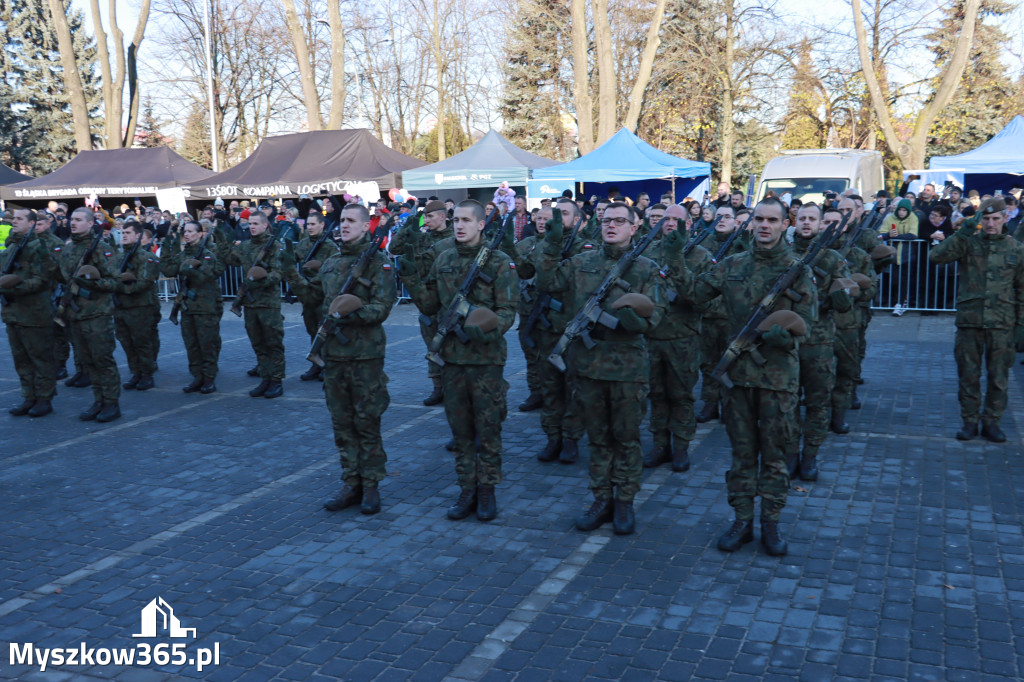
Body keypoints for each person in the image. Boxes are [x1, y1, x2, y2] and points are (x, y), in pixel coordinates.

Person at [672, 197, 818, 557]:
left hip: (777, 380)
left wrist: (787, 336)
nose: (765, 225)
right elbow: (692, 294)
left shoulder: (799, 270)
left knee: (775, 455)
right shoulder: (732, 265)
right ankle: (741, 520)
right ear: (750, 223)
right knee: (741, 454)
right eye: (759, 219)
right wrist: (675, 255)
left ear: (786, 224)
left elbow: (810, 327)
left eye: (772, 220)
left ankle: (771, 523)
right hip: (736, 378)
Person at [535, 201, 665, 536]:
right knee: (598, 439)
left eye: (620, 221)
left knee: (626, 439)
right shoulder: (582, 262)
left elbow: (656, 319)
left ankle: (624, 501)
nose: (612, 226)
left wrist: (634, 320)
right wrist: (551, 243)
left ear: (634, 228)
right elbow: (547, 280)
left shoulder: (646, 268)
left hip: (627, 370)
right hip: (589, 367)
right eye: (607, 220)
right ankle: (601, 498)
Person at [399, 199, 516, 522]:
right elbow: (428, 304)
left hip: (486, 361)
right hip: (452, 361)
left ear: (481, 224)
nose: (459, 225)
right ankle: (467, 489)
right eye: (455, 220)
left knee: (488, 429)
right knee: (461, 431)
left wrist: (486, 328)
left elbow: (508, 311)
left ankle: (487, 490)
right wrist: (409, 275)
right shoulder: (444, 258)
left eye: (466, 220)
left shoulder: (499, 262)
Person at [308, 204, 398, 515]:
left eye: (351, 221)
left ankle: (371, 484)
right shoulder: (331, 263)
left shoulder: (378, 263)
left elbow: (383, 307)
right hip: (335, 355)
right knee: (342, 422)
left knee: (367, 421)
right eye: (342, 220)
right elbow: (323, 305)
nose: (344, 226)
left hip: (365, 356)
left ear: (364, 226)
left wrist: (353, 312)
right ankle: (351, 481)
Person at [929, 197, 1024, 442]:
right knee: (968, 376)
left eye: (995, 219)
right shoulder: (968, 243)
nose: (991, 224)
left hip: (1002, 323)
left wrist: (1021, 326)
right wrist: (962, 234)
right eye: (987, 218)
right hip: (970, 322)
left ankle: (992, 422)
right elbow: (936, 257)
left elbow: (1022, 290)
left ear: (1005, 218)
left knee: (999, 379)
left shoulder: (1016, 249)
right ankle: (970, 421)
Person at [642, 204, 712, 472]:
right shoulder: (647, 252)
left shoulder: (701, 256)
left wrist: (677, 262)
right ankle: (660, 444)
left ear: (690, 224)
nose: (669, 223)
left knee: (681, 395)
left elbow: (700, 298)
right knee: (656, 393)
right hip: (652, 336)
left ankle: (681, 446)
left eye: (676, 219)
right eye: (665, 219)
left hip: (683, 338)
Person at [521, 199, 589, 464]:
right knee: (549, 387)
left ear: (578, 221)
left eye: (565, 215)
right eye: (555, 215)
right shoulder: (545, 246)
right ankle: (553, 437)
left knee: (572, 388)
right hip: (547, 329)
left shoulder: (586, 247)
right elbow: (536, 274)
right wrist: (551, 244)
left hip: (574, 330)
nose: (559, 220)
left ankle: (571, 439)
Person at [786, 203, 851, 481]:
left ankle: (810, 454)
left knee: (817, 403)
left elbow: (846, 297)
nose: (807, 223)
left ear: (822, 223)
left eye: (813, 219)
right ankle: (789, 454)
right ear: (794, 221)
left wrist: (842, 296)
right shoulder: (783, 254)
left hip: (819, 342)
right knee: (786, 404)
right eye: (802, 218)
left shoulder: (833, 259)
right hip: (787, 342)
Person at [56, 208, 122, 422]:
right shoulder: (68, 249)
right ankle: (98, 400)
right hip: (75, 314)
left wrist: (90, 283)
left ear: (91, 223)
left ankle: (111, 403)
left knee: (102, 360)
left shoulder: (102, 249)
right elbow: (63, 279)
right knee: (87, 362)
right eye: (71, 219)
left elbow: (114, 282)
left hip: (97, 315)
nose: (72, 223)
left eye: (78, 220)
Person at [389, 200, 454, 406]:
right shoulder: (423, 237)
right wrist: (409, 228)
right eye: (425, 216)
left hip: (446, 298)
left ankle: (453, 386)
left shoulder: (454, 238)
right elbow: (394, 247)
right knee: (432, 346)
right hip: (424, 296)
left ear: (443, 216)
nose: (426, 220)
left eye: (430, 216)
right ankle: (437, 387)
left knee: (451, 346)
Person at [217, 212, 286, 398]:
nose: (252, 226)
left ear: (265, 226)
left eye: (256, 223)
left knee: (273, 343)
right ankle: (265, 378)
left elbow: (278, 273)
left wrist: (259, 279)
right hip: (250, 303)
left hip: (268, 304)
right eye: (250, 223)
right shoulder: (245, 246)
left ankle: (277, 380)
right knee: (258, 343)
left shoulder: (275, 247)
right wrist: (220, 236)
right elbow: (230, 259)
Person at [1, 209, 59, 417]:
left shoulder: (39, 247)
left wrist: (12, 287)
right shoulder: (12, 245)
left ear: (32, 223)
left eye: (19, 219)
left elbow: (43, 280)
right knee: (21, 358)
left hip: (34, 313)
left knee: (40, 357)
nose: (13, 222)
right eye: (13, 218)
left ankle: (44, 398)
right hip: (13, 312)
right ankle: (29, 396)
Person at [697, 204, 749, 423]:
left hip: (731, 316)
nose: (722, 220)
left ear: (735, 221)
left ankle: (730, 405)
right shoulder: (703, 244)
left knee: (732, 363)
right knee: (708, 362)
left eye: (727, 216)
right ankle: (710, 403)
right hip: (708, 315)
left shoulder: (742, 246)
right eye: (718, 216)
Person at [160, 221, 225, 394]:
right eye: (185, 231)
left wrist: (192, 270)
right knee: (192, 345)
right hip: (188, 308)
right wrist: (167, 241)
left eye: (190, 231)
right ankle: (197, 377)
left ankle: (209, 378)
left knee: (207, 344)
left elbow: (208, 275)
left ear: (200, 234)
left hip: (206, 307)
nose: (187, 234)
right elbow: (167, 269)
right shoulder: (184, 255)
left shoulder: (208, 254)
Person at [828, 206, 877, 433]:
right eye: (826, 221)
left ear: (845, 226)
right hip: (817, 326)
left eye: (836, 222)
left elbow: (872, 288)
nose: (830, 227)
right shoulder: (808, 254)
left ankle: (838, 416)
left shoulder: (858, 256)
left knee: (845, 371)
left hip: (847, 323)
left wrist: (854, 289)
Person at [284, 211, 340, 381]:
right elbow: (293, 260)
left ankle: (326, 366)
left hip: (322, 295)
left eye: (313, 224)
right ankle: (316, 365)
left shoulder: (329, 246)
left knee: (325, 332)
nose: (309, 227)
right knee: (312, 331)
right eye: (308, 224)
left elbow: (332, 271)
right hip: (307, 295)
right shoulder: (303, 244)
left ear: (322, 225)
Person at [114, 220, 161, 392]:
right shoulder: (118, 257)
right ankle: (136, 372)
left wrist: (118, 286)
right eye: (122, 233)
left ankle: (147, 374)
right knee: (126, 342)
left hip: (140, 307)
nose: (124, 235)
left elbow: (143, 283)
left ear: (138, 236)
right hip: (121, 308)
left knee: (142, 342)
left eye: (127, 233)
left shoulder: (147, 258)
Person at [881, 199, 920, 309]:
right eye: (900, 210)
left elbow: (913, 235)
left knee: (904, 281)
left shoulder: (913, 217)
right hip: (892, 255)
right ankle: (892, 303)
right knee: (893, 281)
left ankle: (901, 303)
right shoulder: (890, 218)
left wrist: (896, 237)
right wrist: (888, 235)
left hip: (907, 256)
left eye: (904, 210)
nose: (901, 212)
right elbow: (881, 234)